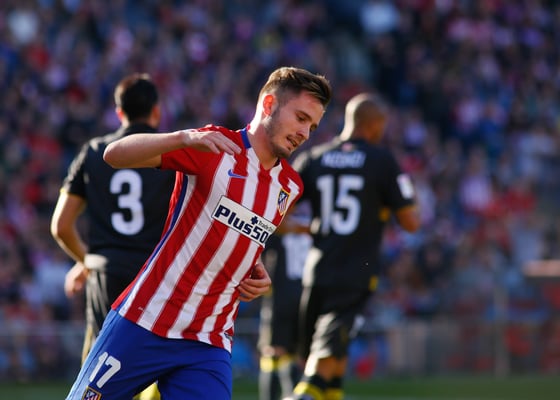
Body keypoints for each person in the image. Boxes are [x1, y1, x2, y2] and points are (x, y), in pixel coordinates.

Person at [64, 66, 333, 400]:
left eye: (312, 126)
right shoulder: (212, 146)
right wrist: (182, 137)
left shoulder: (289, 186)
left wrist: (255, 266)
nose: (305, 133)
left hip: (207, 340)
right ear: (268, 105)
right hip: (145, 319)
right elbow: (113, 155)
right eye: (301, 118)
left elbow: (238, 232)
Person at [283, 92, 421, 400]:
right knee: (327, 349)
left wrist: (308, 228)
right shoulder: (382, 161)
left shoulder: (314, 158)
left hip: (317, 269)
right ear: (374, 125)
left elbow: (277, 213)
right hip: (356, 272)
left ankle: (320, 391)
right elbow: (411, 222)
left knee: (327, 350)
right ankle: (304, 395)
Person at [51, 73, 175, 400]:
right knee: (159, 370)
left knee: (96, 377)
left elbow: (61, 226)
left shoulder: (93, 151)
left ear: (119, 112)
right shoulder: (173, 153)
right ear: (156, 111)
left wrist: (88, 261)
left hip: (108, 275)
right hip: (155, 277)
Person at [258, 231, 312, 400]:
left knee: (273, 353)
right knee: (294, 354)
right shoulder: (310, 229)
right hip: (305, 296)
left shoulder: (280, 229)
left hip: (280, 298)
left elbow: (261, 253)